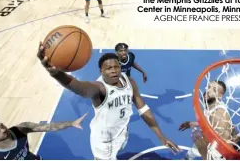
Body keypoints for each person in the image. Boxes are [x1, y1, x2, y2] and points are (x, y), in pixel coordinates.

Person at [36, 42, 181, 160]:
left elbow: (144, 110)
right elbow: (79, 87)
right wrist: (56, 73)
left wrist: (162, 136)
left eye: (116, 66)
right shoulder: (99, 88)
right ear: (101, 71)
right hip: (104, 141)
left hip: (122, 133)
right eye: (108, 68)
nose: (113, 70)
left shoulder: (129, 81)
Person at [0, 113, 88, 160]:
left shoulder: (21, 129)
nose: (3, 130)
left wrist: (71, 123)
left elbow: (50, 127)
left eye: (2, 125)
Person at [179, 80, 231, 159]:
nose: (208, 91)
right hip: (208, 138)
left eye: (214, 90)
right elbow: (210, 122)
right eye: (209, 87)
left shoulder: (218, 114)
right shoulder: (210, 104)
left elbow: (224, 139)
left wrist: (204, 149)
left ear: (220, 96)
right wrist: (193, 123)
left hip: (217, 151)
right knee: (192, 152)